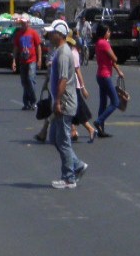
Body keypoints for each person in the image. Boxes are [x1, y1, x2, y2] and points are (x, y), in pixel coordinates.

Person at [46, 21, 87, 189]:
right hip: (62, 101)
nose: (49, 36)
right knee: (55, 137)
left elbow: (63, 79)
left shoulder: (63, 54)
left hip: (64, 103)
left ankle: (69, 178)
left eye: (51, 33)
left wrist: (57, 101)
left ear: (59, 35)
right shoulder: (60, 52)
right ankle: (77, 165)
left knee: (62, 140)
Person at [92, 23, 124, 138]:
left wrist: (118, 70)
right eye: (108, 31)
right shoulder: (104, 43)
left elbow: (110, 61)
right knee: (115, 102)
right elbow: (114, 58)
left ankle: (101, 129)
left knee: (103, 103)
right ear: (104, 32)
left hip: (100, 75)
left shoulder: (99, 43)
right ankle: (99, 121)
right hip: (105, 76)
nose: (110, 33)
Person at [12, 18, 43, 111]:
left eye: (25, 23)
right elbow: (16, 48)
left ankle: (33, 101)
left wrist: (39, 59)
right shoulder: (18, 34)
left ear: (28, 23)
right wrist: (14, 61)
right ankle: (26, 103)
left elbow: (38, 46)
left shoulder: (33, 33)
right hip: (22, 61)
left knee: (30, 79)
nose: (24, 25)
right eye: (22, 23)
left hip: (32, 60)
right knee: (24, 82)